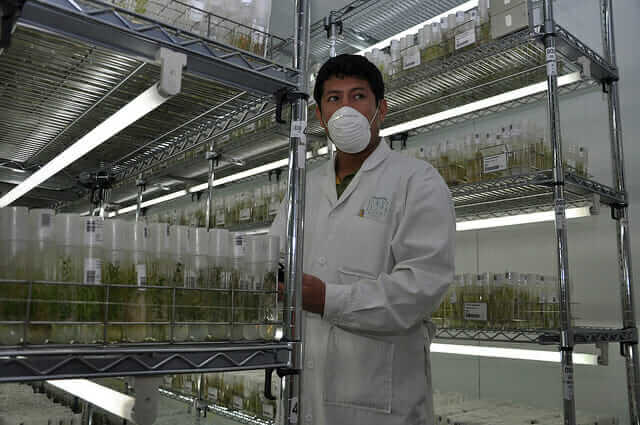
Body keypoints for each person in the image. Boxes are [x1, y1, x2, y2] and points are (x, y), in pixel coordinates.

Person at [270, 54, 455, 425]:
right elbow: (275, 258)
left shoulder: (416, 181)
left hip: (380, 404)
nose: (345, 109)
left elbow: (421, 287)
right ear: (320, 117)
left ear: (380, 109)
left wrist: (329, 299)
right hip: (302, 394)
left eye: (358, 96)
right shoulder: (303, 187)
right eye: (334, 99)